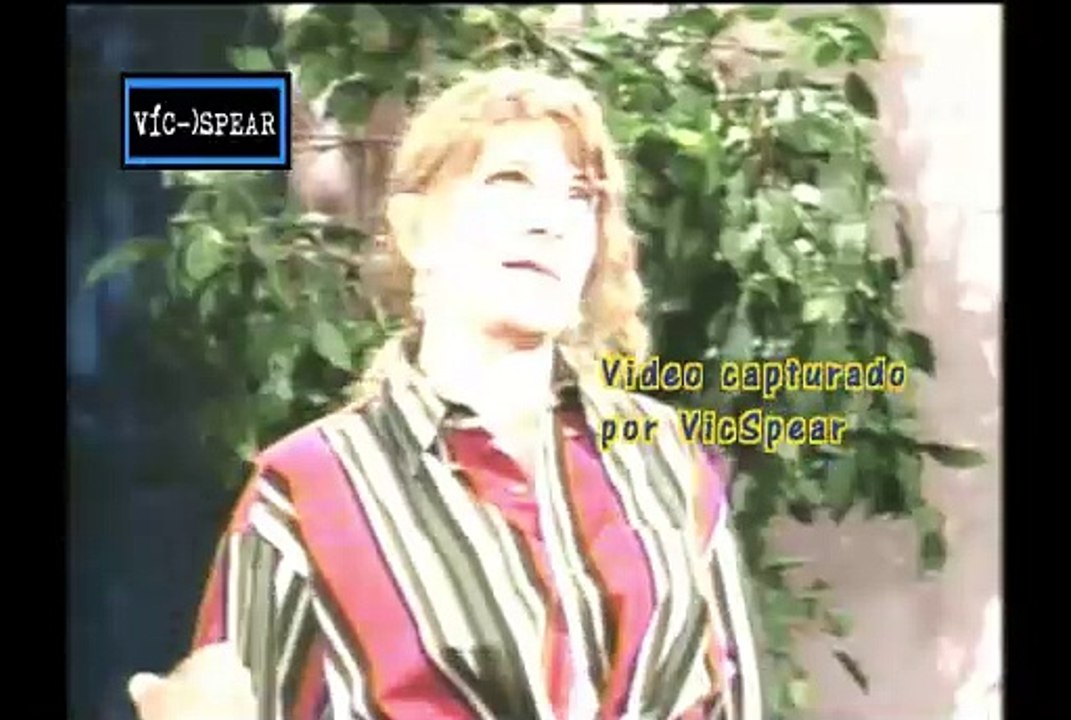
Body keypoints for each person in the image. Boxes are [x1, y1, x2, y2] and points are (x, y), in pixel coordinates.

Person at [128, 66, 763, 720]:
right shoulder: (308, 490)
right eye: (509, 181)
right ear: (415, 231)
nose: (551, 221)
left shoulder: (668, 458)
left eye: (581, 195)